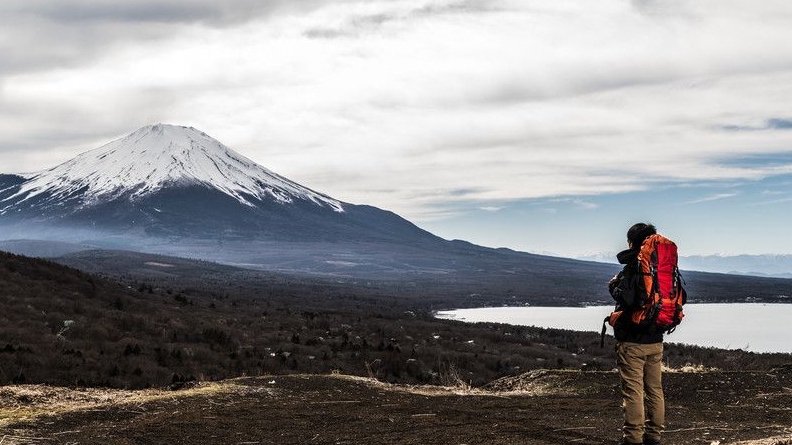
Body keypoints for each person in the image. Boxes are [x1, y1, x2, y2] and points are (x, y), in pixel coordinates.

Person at [608, 223, 664, 445]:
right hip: (656, 338)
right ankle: (654, 437)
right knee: (655, 390)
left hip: (633, 340)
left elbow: (628, 299)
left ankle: (632, 439)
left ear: (632, 241)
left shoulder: (635, 265)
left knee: (633, 391)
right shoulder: (661, 264)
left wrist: (614, 286)